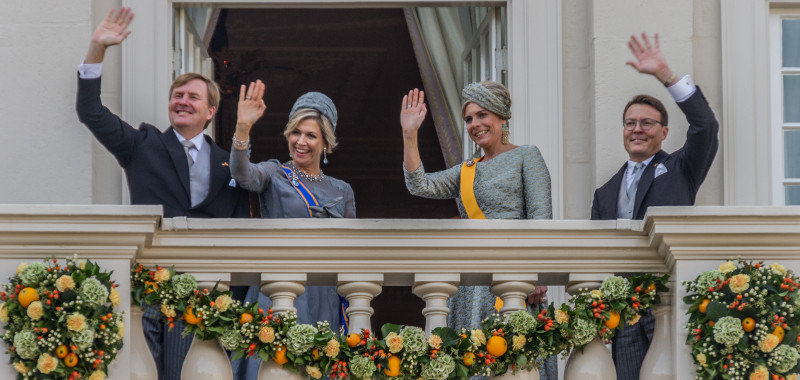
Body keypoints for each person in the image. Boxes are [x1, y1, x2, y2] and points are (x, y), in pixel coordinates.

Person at [75, 8, 250, 380]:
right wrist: (97, 48)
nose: (182, 101)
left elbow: (242, 232)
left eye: (192, 97)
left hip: (205, 296)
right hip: (149, 290)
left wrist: (231, 303)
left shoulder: (231, 165)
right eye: (177, 95)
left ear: (211, 110)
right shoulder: (143, 143)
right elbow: (90, 111)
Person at [400, 82, 553, 375]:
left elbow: (540, 220)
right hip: (471, 288)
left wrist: (537, 274)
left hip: (512, 279)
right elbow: (420, 185)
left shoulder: (527, 156)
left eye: (482, 115)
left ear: (501, 118)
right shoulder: (466, 170)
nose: (475, 124)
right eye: (469, 118)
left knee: (513, 366)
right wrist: (410, 134)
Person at [591, 33, 719, 380]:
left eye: (646, 123)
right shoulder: (604, 193)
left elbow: (706, 125)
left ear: (663, 132)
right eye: (630, 123)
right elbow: (596, 256)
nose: (637, 129)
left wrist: (666, 75)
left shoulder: (681, 168)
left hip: (670, 300)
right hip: (624, 314)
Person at [229, 82, 355, 359]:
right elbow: (241, 174)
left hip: (323, 293)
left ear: (325, 143)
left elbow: (350, 254)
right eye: (295, 132)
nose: (300, 141)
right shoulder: (274, 172)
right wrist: (243, 127)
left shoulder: (342, 189)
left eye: (311, 135)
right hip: (279, 285)